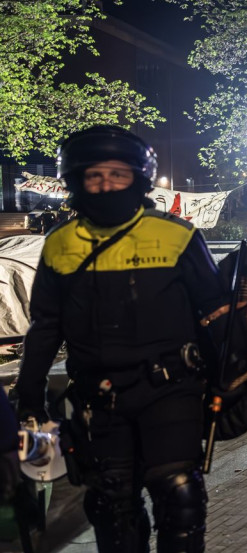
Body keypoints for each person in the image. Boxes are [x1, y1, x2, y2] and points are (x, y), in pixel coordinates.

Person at [13, 125, 232, 553]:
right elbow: (45, 326)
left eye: (118, 174)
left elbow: (216, 315)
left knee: (180, 495)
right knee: (112, 507)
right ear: (76, 181)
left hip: (172, 391)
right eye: (94, 175)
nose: (106, 184)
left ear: (139, 178)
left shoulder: (177, 235)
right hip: (99, 399)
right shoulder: (59, 245)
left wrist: (230, 382)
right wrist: (28, 394)